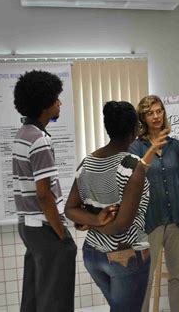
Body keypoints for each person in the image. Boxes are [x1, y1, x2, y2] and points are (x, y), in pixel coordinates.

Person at [13, 70, 113, 312]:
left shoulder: (22, 134)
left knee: (35, 297)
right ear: (44, 104)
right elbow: (44, 194)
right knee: (55, 300)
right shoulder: (39, 140)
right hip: (46, 228)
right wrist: (60, 231)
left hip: (28, 227)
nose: (60, 103)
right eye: (56, 98)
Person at [65, 100, 167, 311]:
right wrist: (96, 221)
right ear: (134, 130)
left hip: (93, 253)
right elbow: (121, 225)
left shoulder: (87, 162)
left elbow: (70, 209)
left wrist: (92, 221)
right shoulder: (132, 166)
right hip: (125, 256)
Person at [129, 95, 179, 312]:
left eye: (159, 111)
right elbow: (134, 177)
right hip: (150, 220)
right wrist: (151, 149)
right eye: (150, 113)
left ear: (164, 113)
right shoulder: (136, 148)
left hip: (176, 219)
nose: (156, 116)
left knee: (178, 275)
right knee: (144, 278)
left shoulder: (175, 146)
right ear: (143, 118)